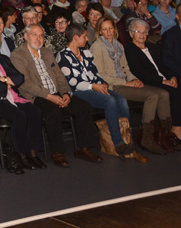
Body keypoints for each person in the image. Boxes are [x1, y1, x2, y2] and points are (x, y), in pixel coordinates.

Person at [10, 24, 103, 168]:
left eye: (41, 35)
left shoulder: (47, 52)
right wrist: (49, 96)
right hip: (36, 96)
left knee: (83, 107)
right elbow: (25, 84)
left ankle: (83, 148)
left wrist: (65, 92)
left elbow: (60, 76)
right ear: (26, 37)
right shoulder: (17, 55)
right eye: (34, 35)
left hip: (57, 93)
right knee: (53, 112)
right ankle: (57, 152)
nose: (38, 38)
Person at [56, 23, 138, 159]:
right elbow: (72, 82)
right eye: (84, 36)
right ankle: (117, 142)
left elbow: (95, 73)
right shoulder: (63, 56)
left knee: (121, 100)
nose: (87, 39)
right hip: (78, 91)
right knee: (110, 101)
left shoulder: (86, 52)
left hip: (94, 87)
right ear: (75, 37)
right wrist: (93, 86)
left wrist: (102, 83)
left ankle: (126, 137)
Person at [91, 17, 169, 155]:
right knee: (152, 95)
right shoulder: (97, 47)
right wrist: (127, 83)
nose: (108, 32)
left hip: (126, 82)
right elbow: (101, 75)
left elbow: (127, 69)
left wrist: (135, 80)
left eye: (110, 28)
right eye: (105, 29)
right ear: (100, 31)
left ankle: (164, 134)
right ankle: (147, 137)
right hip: (113, 86)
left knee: (163, 93)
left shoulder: (119, 45)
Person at [0, 31, 45, 173]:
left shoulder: (3, 59)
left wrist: (3, 80)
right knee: (19, 116)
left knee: (35, 112)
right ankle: (20, 154)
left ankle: (32, 152)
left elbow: (20, 77)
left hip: (12, 96)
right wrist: (8, 83)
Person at [125, 18, 181, 146]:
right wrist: (163, 81)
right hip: (150, 81)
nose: (142, 35)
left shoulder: (152, 47)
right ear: (131, 33)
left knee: (178, 85)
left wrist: (172, 77)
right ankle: (175, 128)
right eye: (138, 31)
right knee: (176, 92)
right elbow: (140, 72)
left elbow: (164, 65)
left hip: (164, 79)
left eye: (145, 32)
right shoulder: (130, 50)